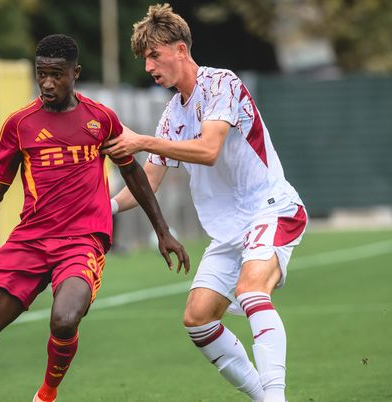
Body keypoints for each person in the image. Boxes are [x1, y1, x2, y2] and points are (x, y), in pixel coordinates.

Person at [0, 34, 189, 402]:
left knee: (65, 318)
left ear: (75, 73)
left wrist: (162, 230)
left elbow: (133, 173)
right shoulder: (19, 124)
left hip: (82, 239)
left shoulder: (100, 118)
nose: (48, 83)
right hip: (30, 240)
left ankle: (46, 394)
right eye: (41, 74)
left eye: (57, 74)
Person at [103, 5, 307, 402]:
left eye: (153, 56)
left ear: (180, 49)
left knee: (251, 292)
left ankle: (277, 398)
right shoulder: (171, 115)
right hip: (229, 231)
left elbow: (209, 149)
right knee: (197, 320)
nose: (148, 67)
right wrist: (104, 210)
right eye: (144, 59)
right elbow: (148, 181)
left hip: (270, 208)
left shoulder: (221, 84)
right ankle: (264, 398)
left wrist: (141, 140)